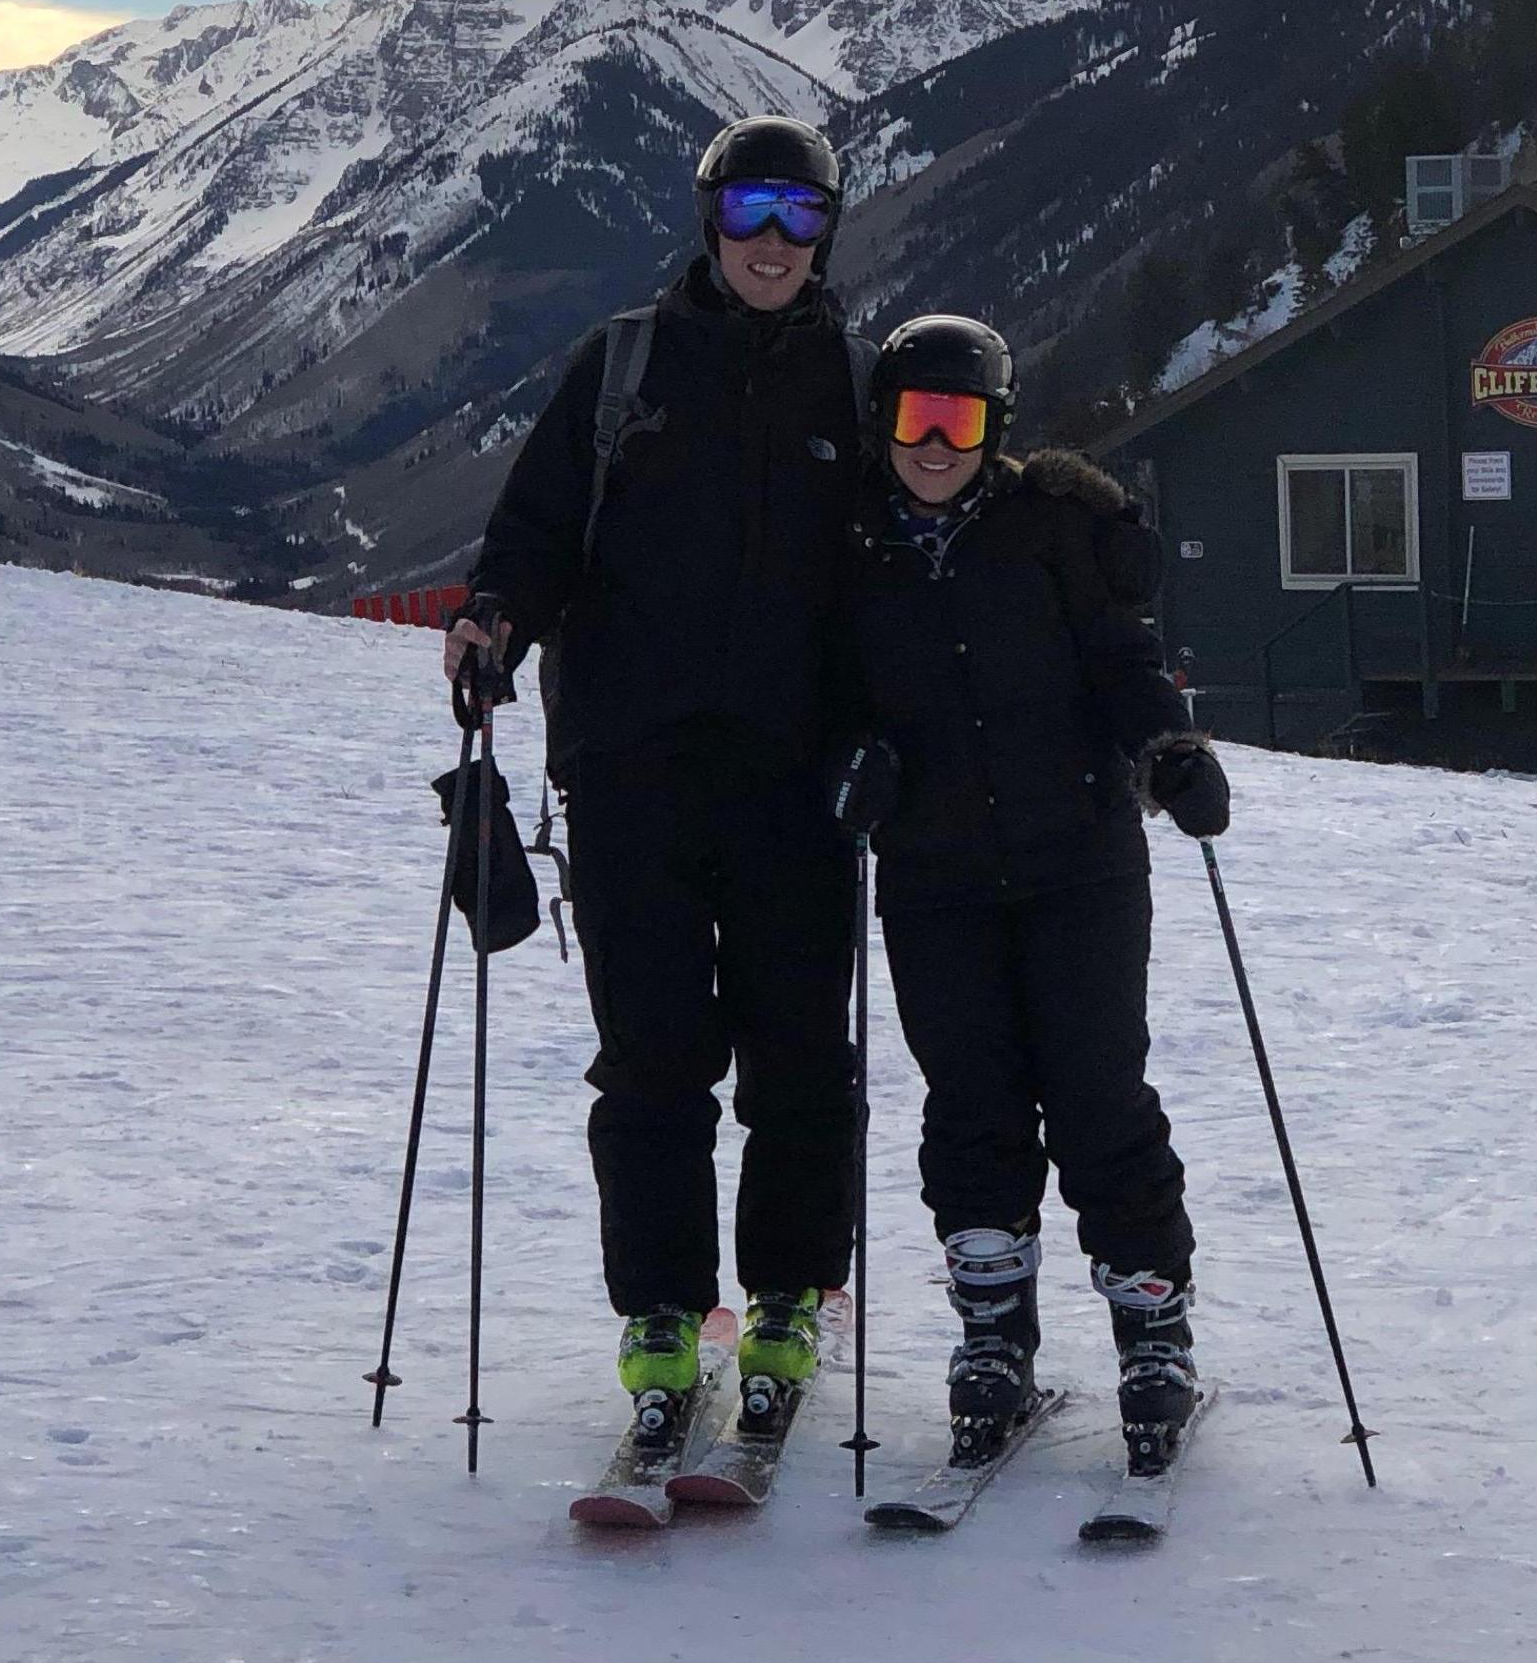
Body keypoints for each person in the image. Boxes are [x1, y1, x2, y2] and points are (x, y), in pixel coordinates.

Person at [444, 117, 862, 1458]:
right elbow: (535, 531)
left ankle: (789, 1301)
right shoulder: (625, 367)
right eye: (751, 210)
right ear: (706, 219)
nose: (773, 242)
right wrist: (495, 616)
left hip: (800, 785)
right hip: (633, 775)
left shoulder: (854, 384)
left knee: (801, 1058)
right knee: (653, 1064)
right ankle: (666, 1324)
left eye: (801, 216)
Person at [826, 313, 1231, 1478]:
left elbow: (1120, 665)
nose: (935, 443)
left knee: (1098, 1091)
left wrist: (1167, 750)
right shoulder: (851, 547)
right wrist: (849, 768)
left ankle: (1151, 1323)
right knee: (972, 1102)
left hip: (1079, 864)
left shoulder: (1052, 531)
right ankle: (993, 1336)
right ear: (885, 424)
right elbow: (825, 695)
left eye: (959, 419)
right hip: (935, 875)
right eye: (915, 418)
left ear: (994, 427)